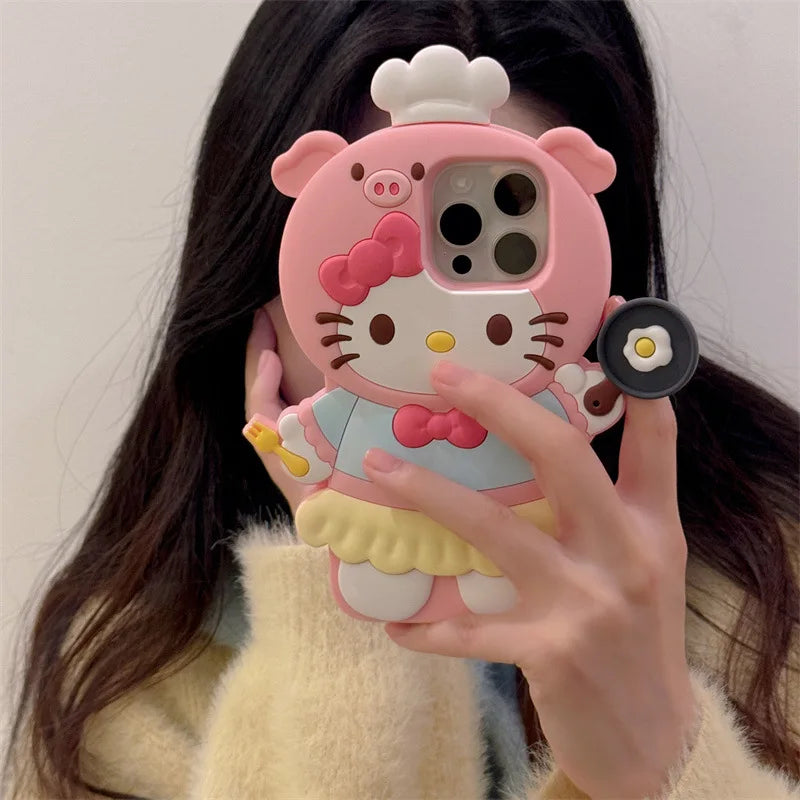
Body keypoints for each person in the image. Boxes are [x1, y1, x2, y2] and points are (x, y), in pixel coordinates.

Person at [4, 2, 799, 798]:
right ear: (256, 278)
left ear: (600, 282)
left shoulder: (777, 579)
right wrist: (342, 604)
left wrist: (660, 757)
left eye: (500, 255)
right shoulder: (122, 685)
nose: (441, 350)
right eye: (369, 245)